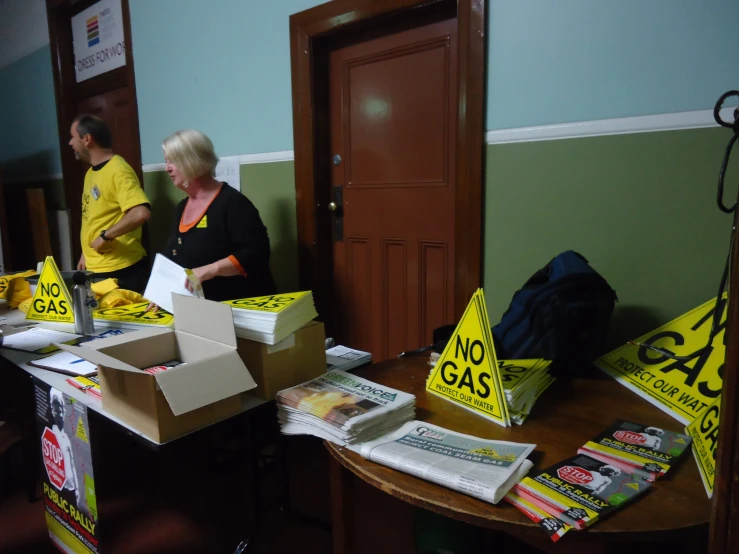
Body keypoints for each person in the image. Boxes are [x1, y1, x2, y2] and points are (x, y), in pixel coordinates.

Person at [161, 129, 275, 301]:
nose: (167, 168)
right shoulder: (181, 207)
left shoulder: (233, 203)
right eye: (166, 161)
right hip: (198, 307)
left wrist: (210, 270)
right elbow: (171, 255)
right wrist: (158, 293)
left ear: (193, 161)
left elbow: (256, 253)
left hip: (238, 304)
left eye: (173, 161)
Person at [69, 114, 151, 293]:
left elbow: (140, 213)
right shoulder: (91, 173)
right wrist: (85, 254)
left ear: (87, 139)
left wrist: (105, 236)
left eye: (73, 137)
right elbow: (94, 217)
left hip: (121, 271)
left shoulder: (118, 170)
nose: (70, 143)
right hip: (96, 267)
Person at [49, 388, 80, 505]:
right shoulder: (54, 430)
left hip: (75, 489)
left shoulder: (71, 432)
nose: (57, 413)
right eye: (55, 410)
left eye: (60, 410)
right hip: (61, 488)